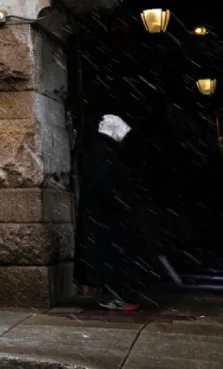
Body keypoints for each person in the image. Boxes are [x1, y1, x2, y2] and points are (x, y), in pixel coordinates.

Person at [76, 114, 150, 311]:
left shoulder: (103, 151)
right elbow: (104, 186)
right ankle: (111, 296)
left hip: (106, 217)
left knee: (111, 258)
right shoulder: (103, 153)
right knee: (109, 258)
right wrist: (121, 203)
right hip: (106, 218)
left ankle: (113, 295)